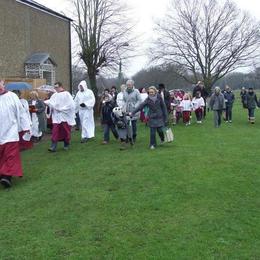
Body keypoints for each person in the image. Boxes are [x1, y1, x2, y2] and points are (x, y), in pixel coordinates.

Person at [0, 79, 31, 188]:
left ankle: (7, 177)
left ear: (3, 84)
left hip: (11, 131)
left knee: (11, 155)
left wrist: (26, 127)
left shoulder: (12, 96)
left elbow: (21, 112)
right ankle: (3, 174)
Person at [44, 82, 76, 152]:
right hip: (56, 117)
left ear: (61, 86)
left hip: (65, 117)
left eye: (57, 87)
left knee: (66, 131)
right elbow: (51, 102)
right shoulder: (54, 95)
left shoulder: (67, 94)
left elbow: (71, 105)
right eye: (55, 87)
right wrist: (48, 104)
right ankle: (53, 146)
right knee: (55, 131)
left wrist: (61, 109)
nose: (56, 88)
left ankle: (66, 144)